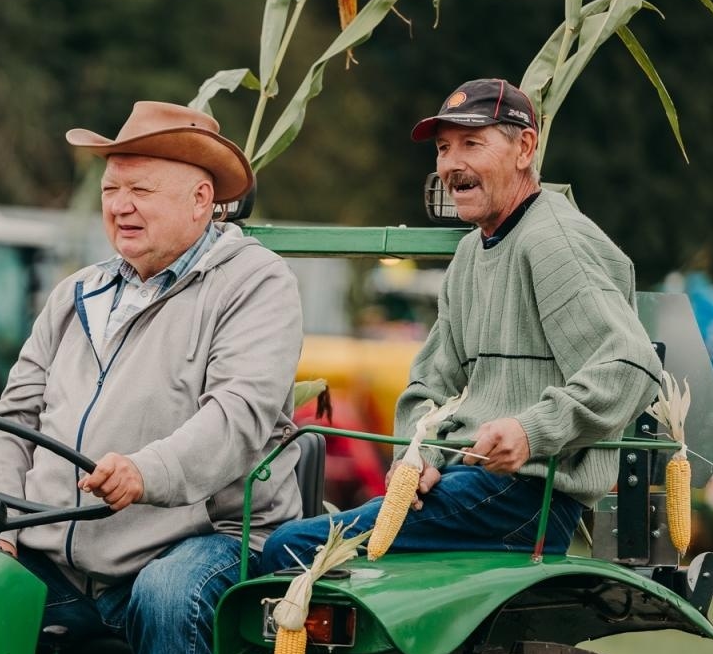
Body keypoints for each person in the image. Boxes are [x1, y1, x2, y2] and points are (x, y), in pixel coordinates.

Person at [0, 101, 304, 654]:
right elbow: (12, 414)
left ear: (202, 199)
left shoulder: (254, 284)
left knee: (170, 595)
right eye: (111, 190)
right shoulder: (79, 293)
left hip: (209, 536)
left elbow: (239, 417)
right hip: (67, 548)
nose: (120, 206)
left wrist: (149, 472)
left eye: (141, 190)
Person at [263, 78, 661, 570]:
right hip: (470, 485)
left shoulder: (553, 241)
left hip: (527, 498)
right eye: (443, 148)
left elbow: (632, 366)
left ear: (525, 148)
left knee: (288, 547)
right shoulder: (472, 252)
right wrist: (419, 457)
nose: (452, 164)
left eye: (472, 143)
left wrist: (530, 431)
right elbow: (429, 385)